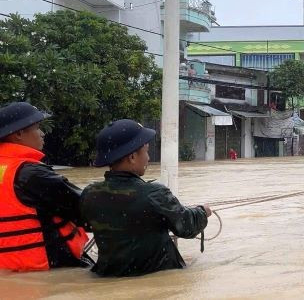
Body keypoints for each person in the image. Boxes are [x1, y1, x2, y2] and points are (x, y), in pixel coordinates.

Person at [80, 120, 211, 277]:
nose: (148, 158)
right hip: (158, 279)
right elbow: (187, 227)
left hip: (109, 276)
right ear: (133, 157)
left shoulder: (89, 194)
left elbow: (88, 225)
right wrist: (203, 211)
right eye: (146, 152)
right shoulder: (155, 194)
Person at [0, 102, 89, 272]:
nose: (43, 134)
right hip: (46, 272)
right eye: (38, 128)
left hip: (8, 274)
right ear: (19, 134)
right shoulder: (31, 174)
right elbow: (85, 207)